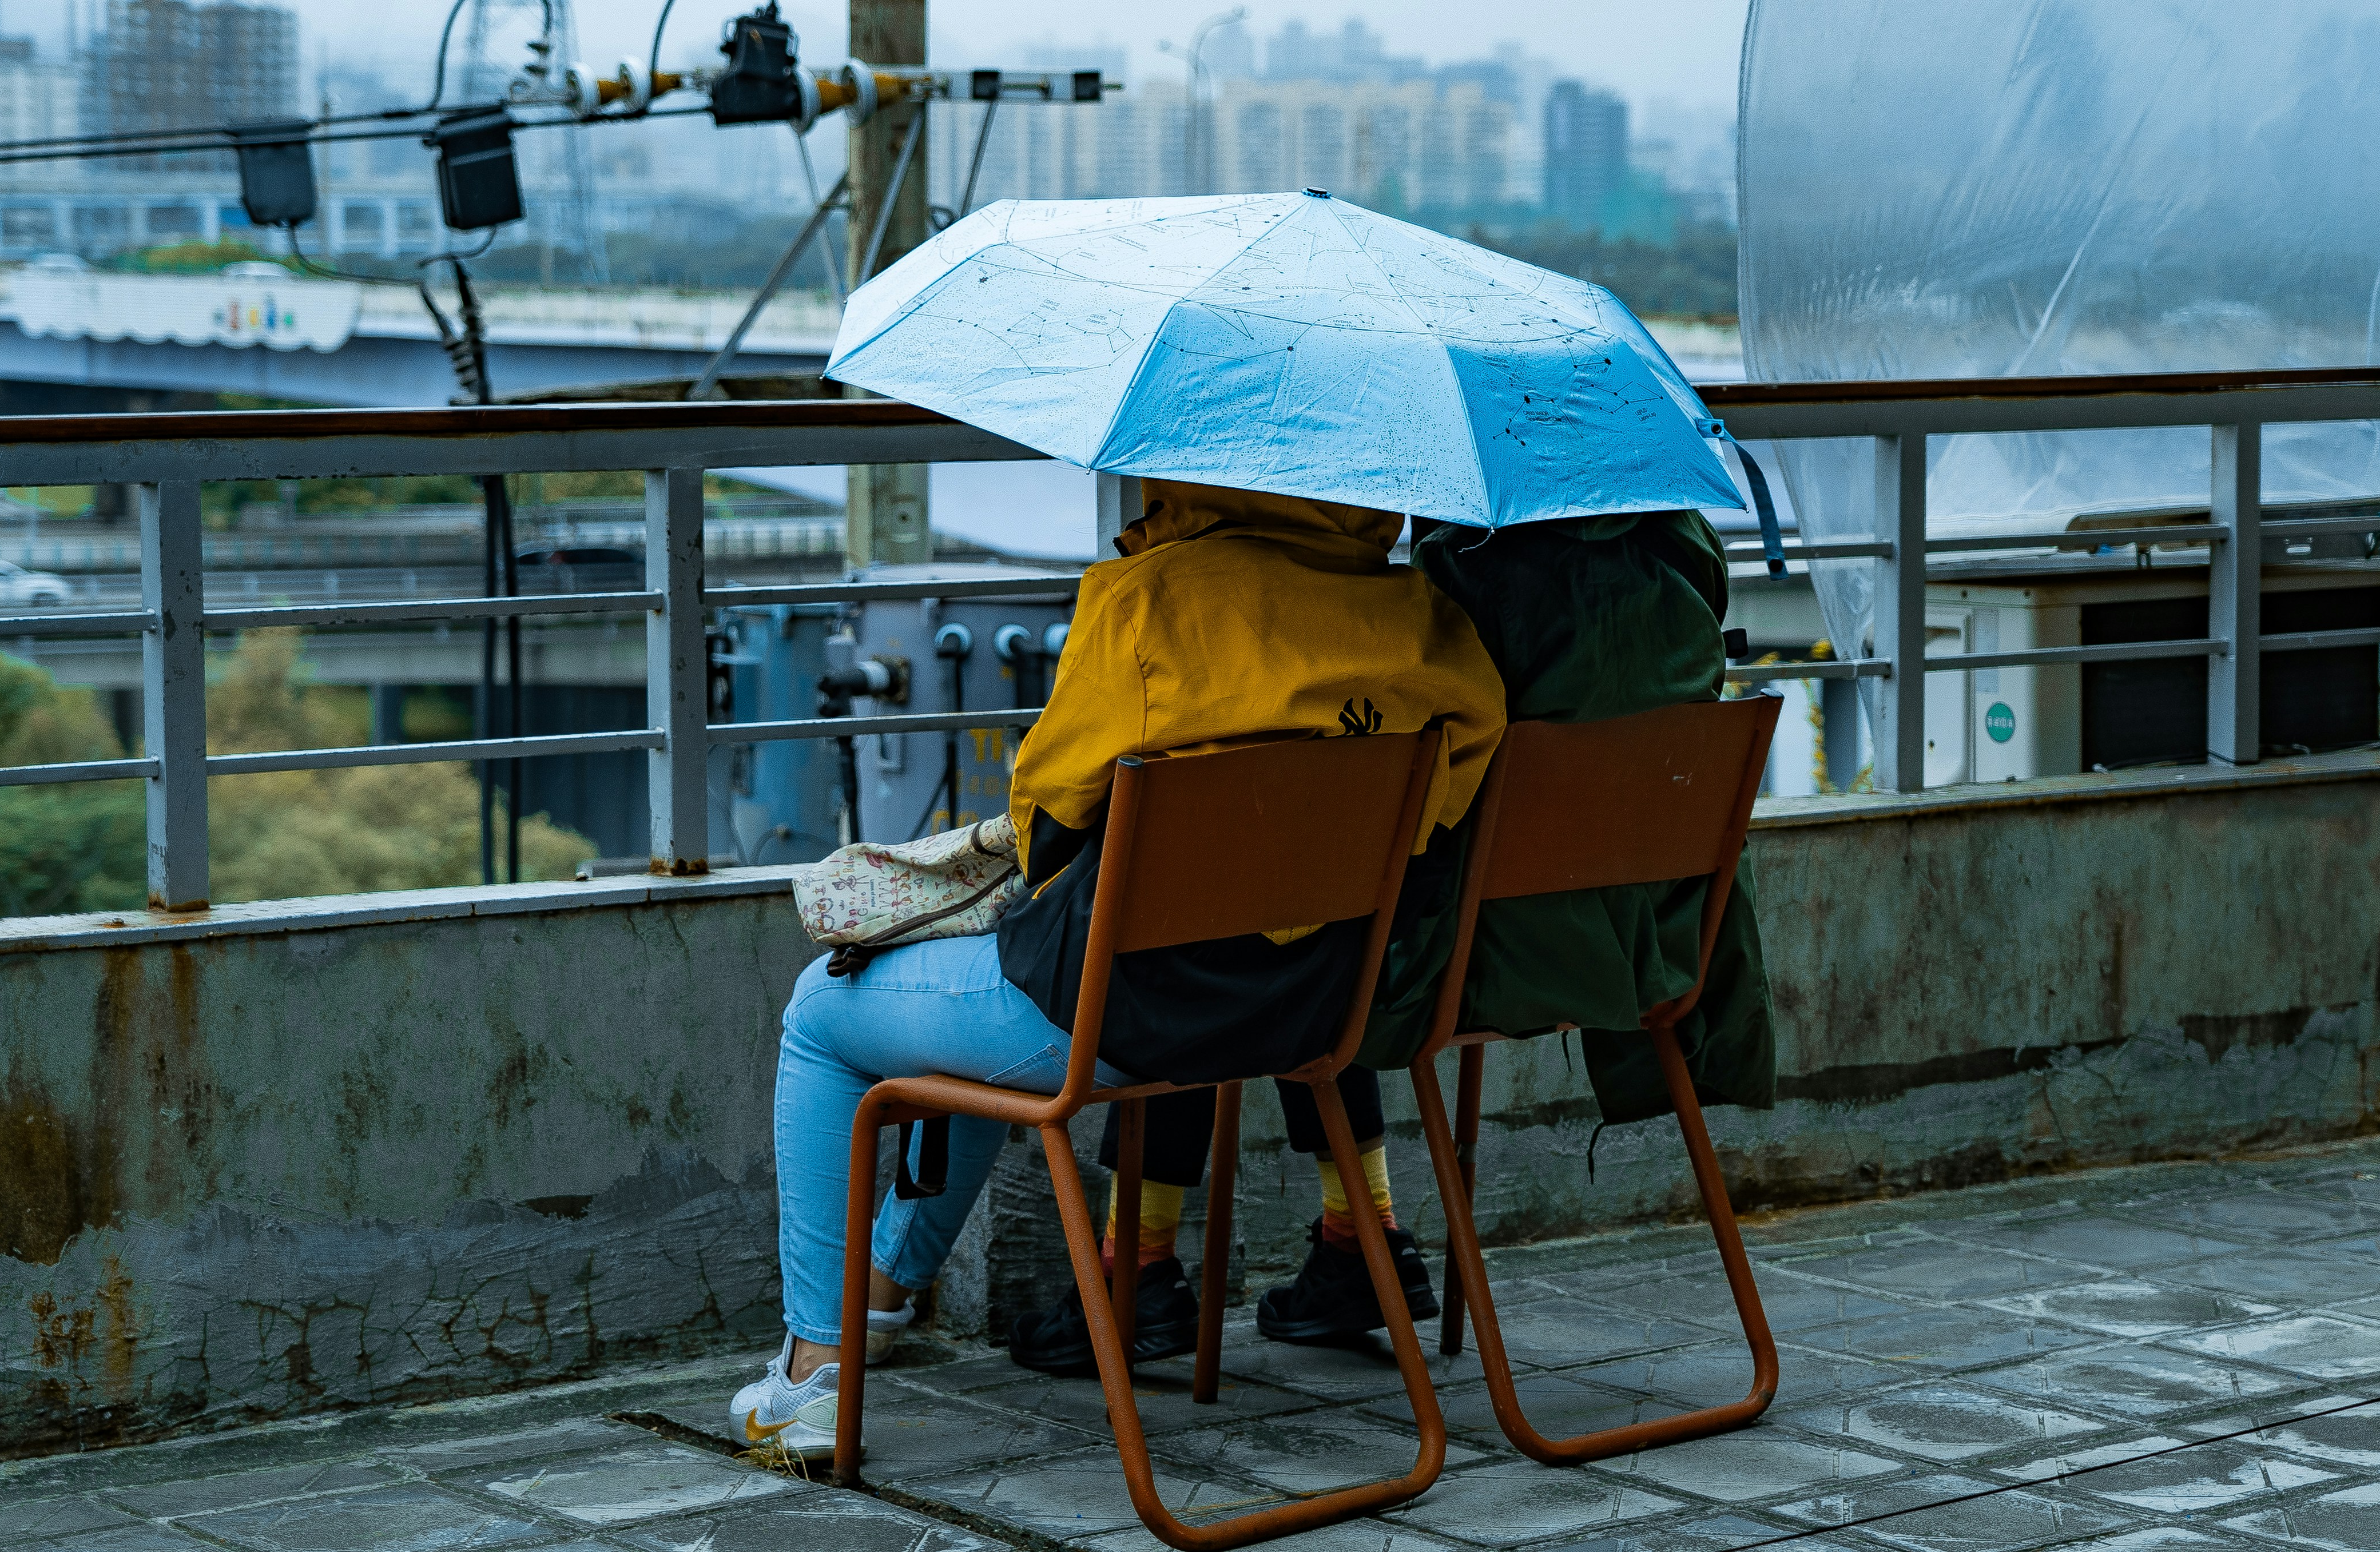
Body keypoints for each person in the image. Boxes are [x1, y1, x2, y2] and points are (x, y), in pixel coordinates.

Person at [731, 479, 1505, 1457]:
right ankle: (882, 1292)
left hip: (1124, 1020)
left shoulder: (1147, 599)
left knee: (819, 1014)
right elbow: (1447, 810)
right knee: (963, 1023)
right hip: (1316, 1012)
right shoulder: (1422, 619)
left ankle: (814, 1370)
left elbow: (1042, 821)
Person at [1357, 506, 1777, 1141]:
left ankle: (1368, 1215)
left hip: (1504, 955)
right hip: (1672, 941)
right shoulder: (1685, 540)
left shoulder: (1459, 560)